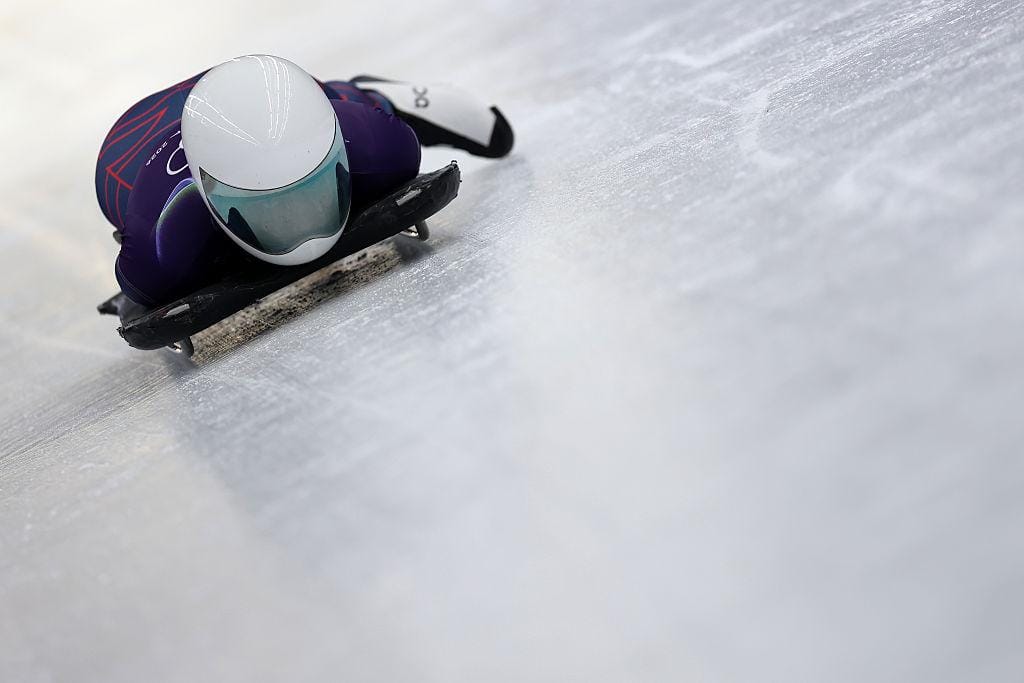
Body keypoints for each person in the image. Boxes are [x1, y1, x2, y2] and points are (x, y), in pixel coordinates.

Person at [95, 55, 513, 307]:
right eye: (270, 207)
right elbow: (141, 286)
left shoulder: (381, 147)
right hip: (130, 148)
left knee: (490, 136)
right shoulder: (165, 236)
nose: (302, 230)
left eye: (314, 191)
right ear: (208, 195)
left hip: (279, 95)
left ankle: (368, 94)